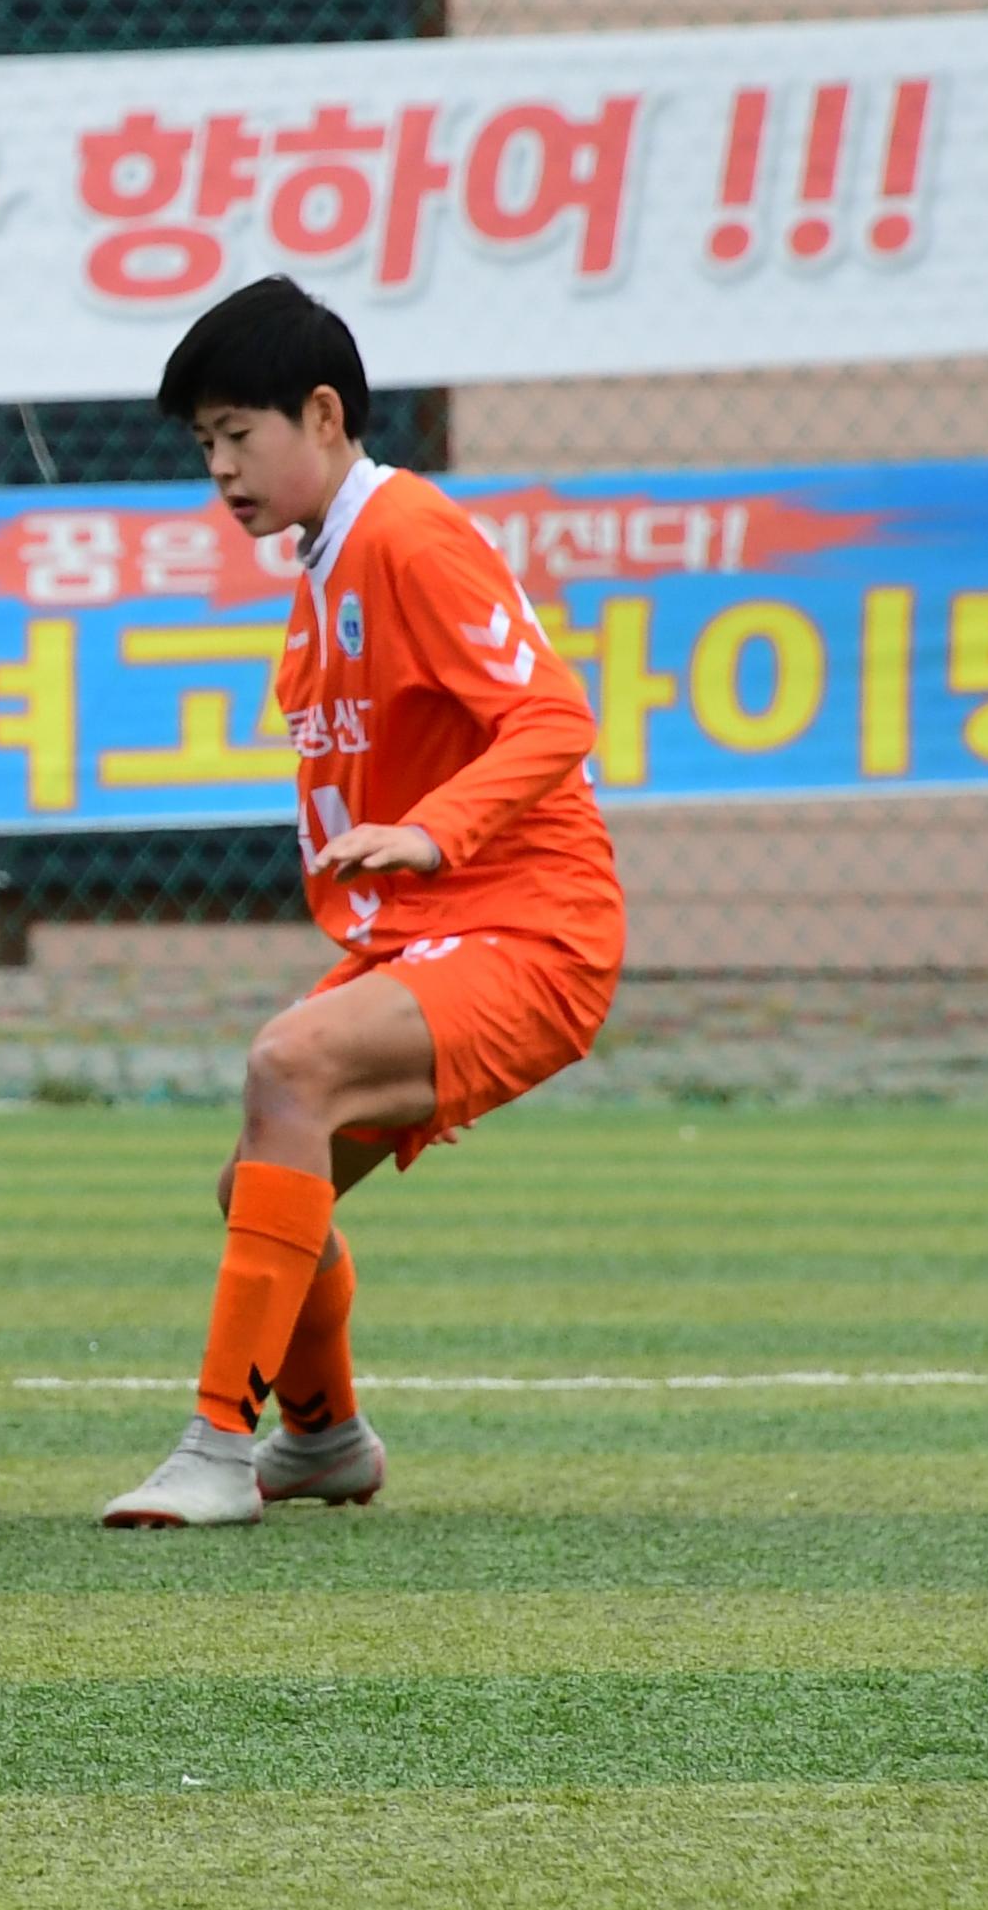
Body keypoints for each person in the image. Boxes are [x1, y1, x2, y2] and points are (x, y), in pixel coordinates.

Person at [101, 277, 624, 1528]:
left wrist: (434, 832)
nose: (219, 468)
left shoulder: (405, 533)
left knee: (289, 1062)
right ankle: (323, 1434)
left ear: (323, 414)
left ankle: (217, 1446)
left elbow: (554, 715)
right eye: (204, 445)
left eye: (237, 434)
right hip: (440, 929)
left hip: (531, 928)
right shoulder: (327, 559)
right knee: (259, 1183)